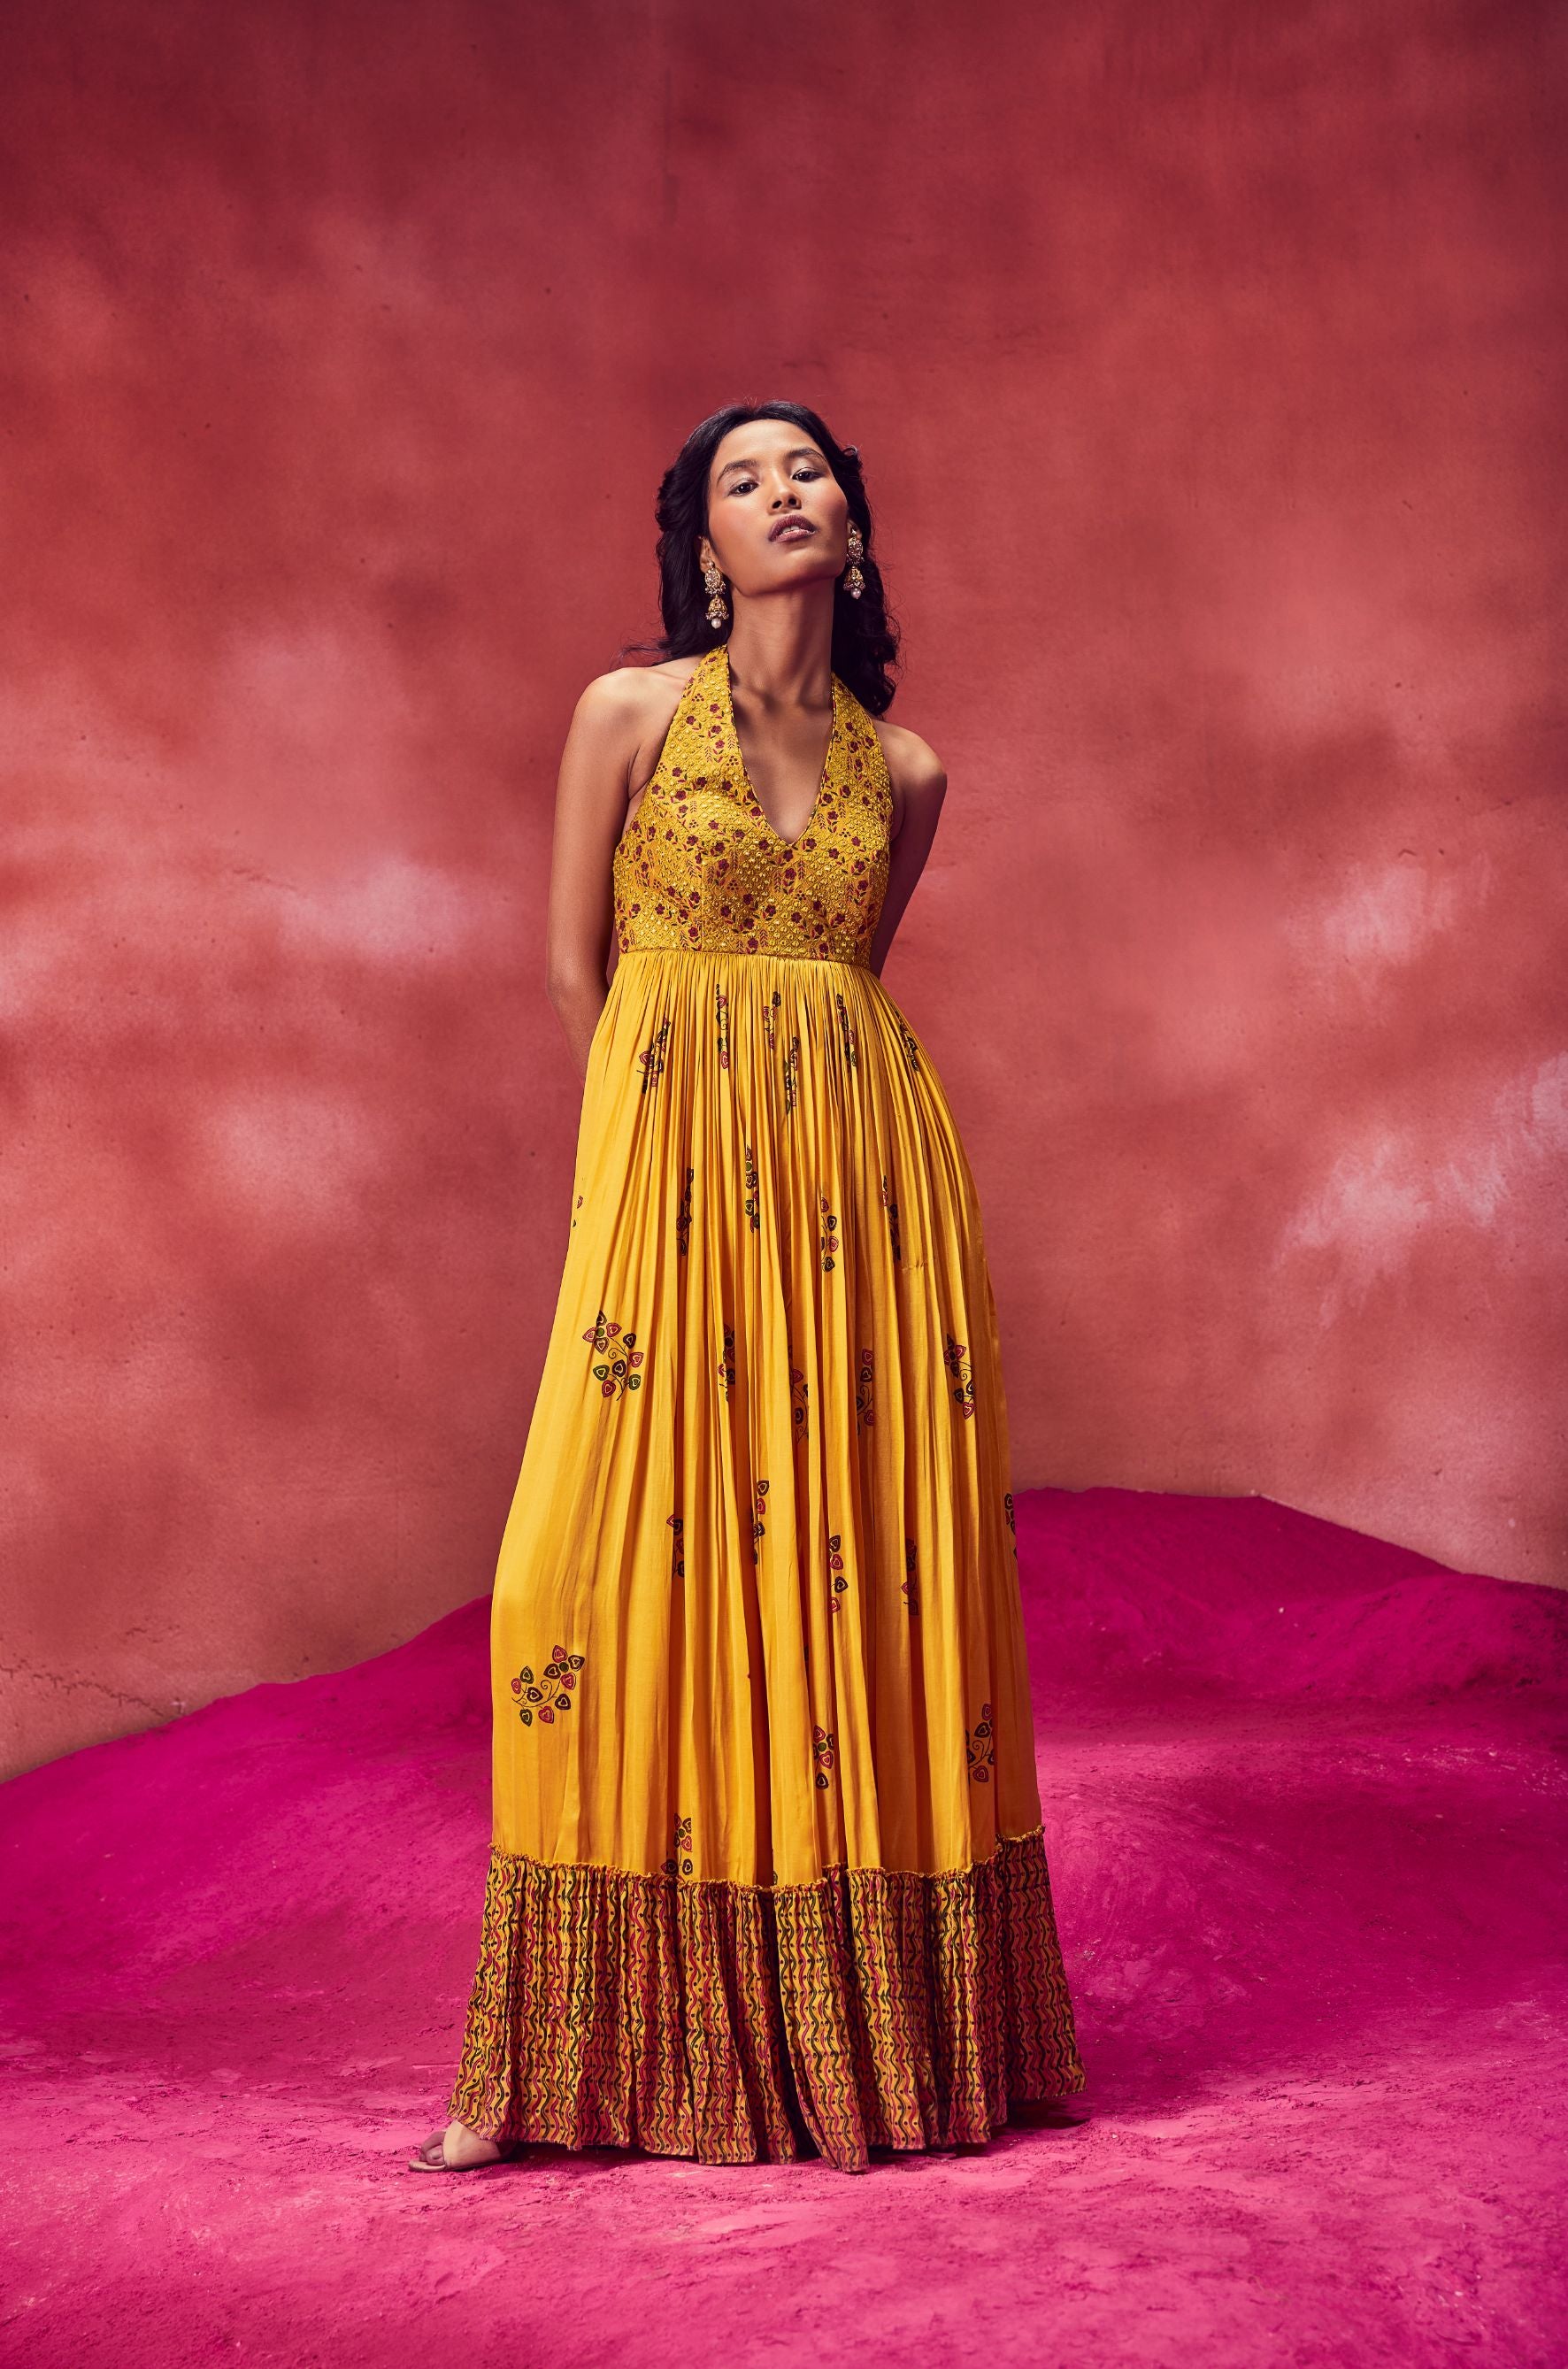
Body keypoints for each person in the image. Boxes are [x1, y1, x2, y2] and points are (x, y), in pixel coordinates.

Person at [409, 401, 1084, 2176]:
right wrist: (643, 1177)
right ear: (700, 546)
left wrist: (806, 1170)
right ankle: (558, 2056)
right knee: (581, 1566)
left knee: (849, 1566)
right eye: (743, 477)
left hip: (868, 1202)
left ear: (851, 520)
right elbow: (578, 968)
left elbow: (845, 985)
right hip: (666, 1179)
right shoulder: (627, 715)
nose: (785, 492)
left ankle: (872, 2039)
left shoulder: (908, 772)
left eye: (808, 470)